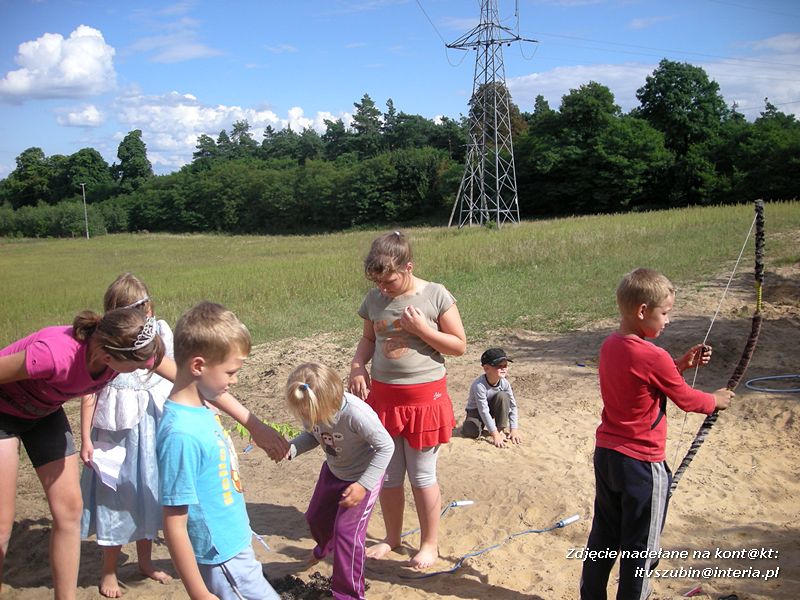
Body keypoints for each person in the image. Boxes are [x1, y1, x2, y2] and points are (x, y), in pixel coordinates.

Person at [579, 268, 734, 600]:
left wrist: (679, 365)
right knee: (640, 549)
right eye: (665, 313)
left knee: (604, 534)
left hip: (607, 458)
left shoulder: (610, 345)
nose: (668, 321)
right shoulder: (653, 355)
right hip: (641, 466)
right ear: (642, 311)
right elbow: (688, 400)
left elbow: (641, 382)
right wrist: (715, 400)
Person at [0, 306, 166, 599]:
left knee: (69, 510)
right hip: (3, 411)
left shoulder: (129, 349)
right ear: (108, 356)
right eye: (139, 364)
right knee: (2, 521)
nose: (145, 367)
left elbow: (187, 377)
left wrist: (249, 422)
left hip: (43, 413)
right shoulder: (54, 355)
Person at [348, 230, 466, 569]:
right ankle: (391, 537)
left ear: (409, 267)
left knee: (422, 474)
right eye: (378, 283)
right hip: (384, 400)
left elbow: (458, 346)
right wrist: (358, 366)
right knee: (387, 474)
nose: (383, 289)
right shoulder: (373, 300)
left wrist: (423, 331)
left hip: (424, 402)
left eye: (390, 282)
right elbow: (368, 339)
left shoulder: (435, 295)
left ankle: (429, 544)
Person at [157, 301, 280, 600]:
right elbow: (174, 523)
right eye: (230, 372)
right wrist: (198, 592)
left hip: (234, 544)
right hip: (221, 558)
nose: (235, 380)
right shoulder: (181, 434)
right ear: (198, 365)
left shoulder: (200, 407)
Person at [80, 273, 174, 597]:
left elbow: (173, 377)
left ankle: (145, 563)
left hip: (148, 431)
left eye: (148, 308)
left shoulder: (157, 335)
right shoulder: (107, 346)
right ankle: (108, 570)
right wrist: (86, 439)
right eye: (141, 310)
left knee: (147, 493)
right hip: (113, 437)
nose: (148, 314)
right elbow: (89, 393)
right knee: (115, 499)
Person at [283, 362, 394, 600]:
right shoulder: (312, 407)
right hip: (334, 472)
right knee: (315, 518)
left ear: (330, 401)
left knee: (347, 534)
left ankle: (349, 594)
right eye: (304, 415)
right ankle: (325, 547)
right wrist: (292, 449)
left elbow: (386, 447)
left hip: (363, 478)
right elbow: (313, 436)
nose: (307, 418)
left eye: (309, 414)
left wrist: (364, 485)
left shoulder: (356, 413)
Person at [461, 347, 521, 448]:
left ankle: (500, 428)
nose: (503, 368)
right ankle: (476, 425)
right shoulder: (479, 385)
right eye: (499, 366)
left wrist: (514, 429)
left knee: (503, 396)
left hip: (492, 408)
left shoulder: (504, 383)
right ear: (486, 368)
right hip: (476, 411)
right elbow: (483, 410)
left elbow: (513, 406)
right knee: (471, 432)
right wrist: (495, 435)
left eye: (505, 365)